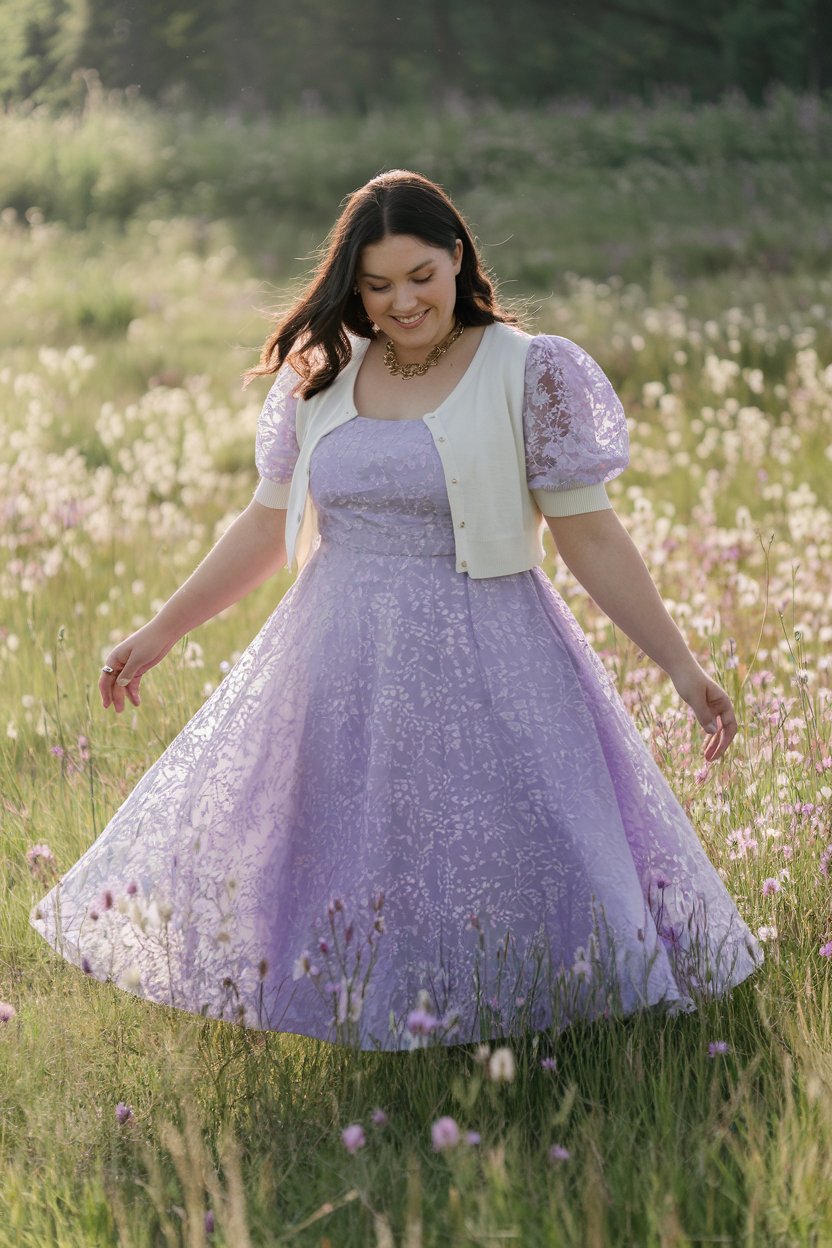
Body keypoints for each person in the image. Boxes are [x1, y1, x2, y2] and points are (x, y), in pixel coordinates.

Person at [30, 170, 764, 1052]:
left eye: (420, 276)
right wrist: (161, 631)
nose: (403, 302)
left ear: (458, 257)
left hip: (489, 656)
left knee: (499, 845)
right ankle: (375, 1016)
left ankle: (529, 1018)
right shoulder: (322, 373)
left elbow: (591, 535)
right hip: (337, 660)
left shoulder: (527, 370)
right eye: (378, 286)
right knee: (351, 851)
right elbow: (266, 526)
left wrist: (680, 665)